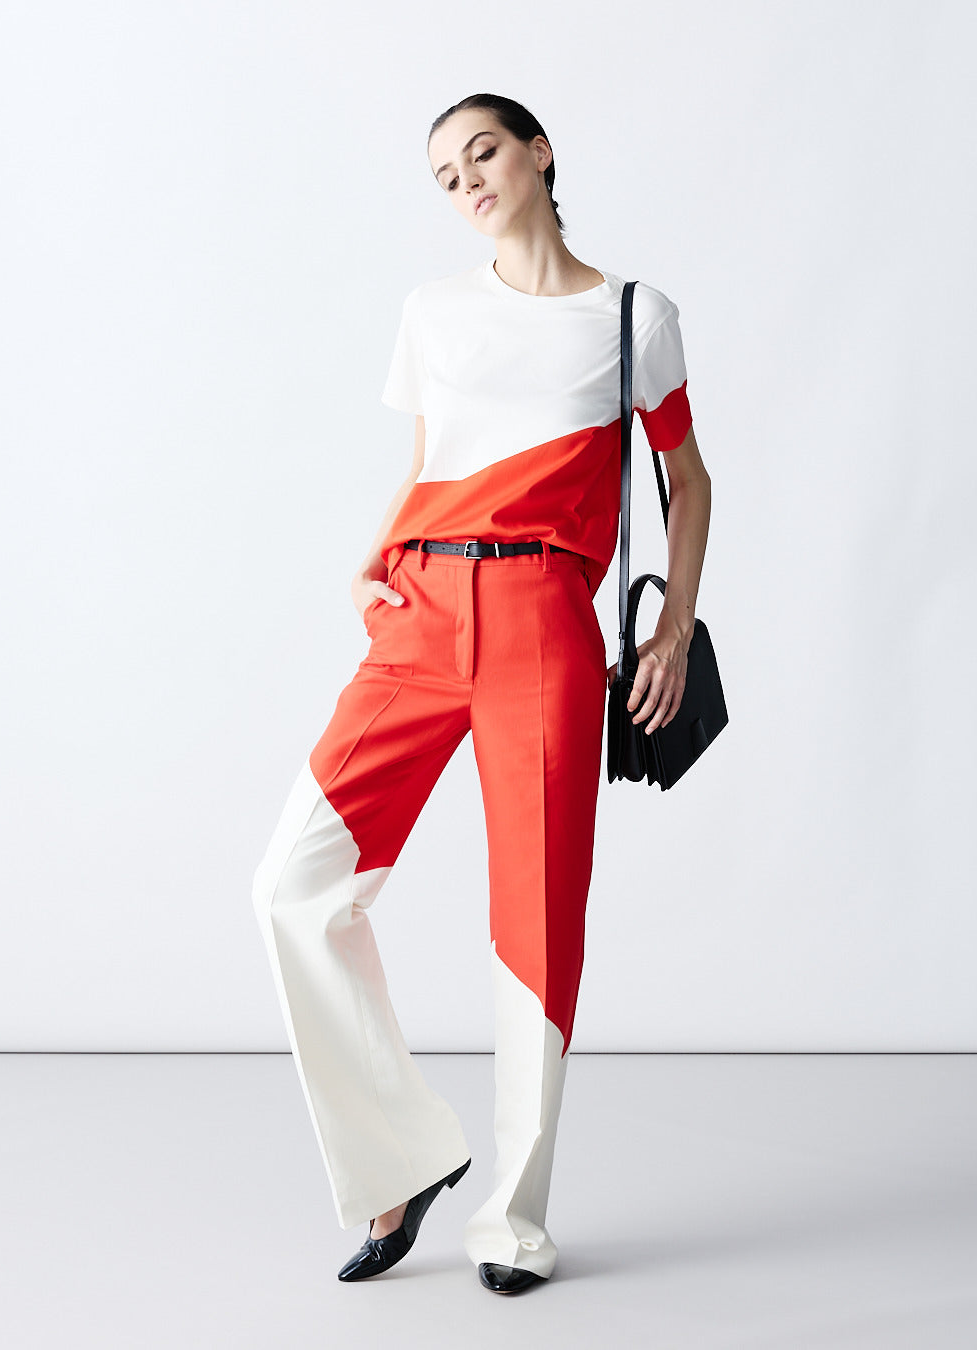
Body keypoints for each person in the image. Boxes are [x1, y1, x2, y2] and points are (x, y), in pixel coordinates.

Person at [251, 92, 712, 1295]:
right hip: (420, 609)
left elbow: (687, 477)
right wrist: (373, 553)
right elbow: (429, 458)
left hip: (544, 622)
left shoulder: (631, 317)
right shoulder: (432, 312)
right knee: (294, 887)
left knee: (537, 917)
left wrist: (669, 626)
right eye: (445, 173)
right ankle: (405, 1161)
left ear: (539, 152)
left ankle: (513, 1221)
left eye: (484, 153)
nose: (466, 181)